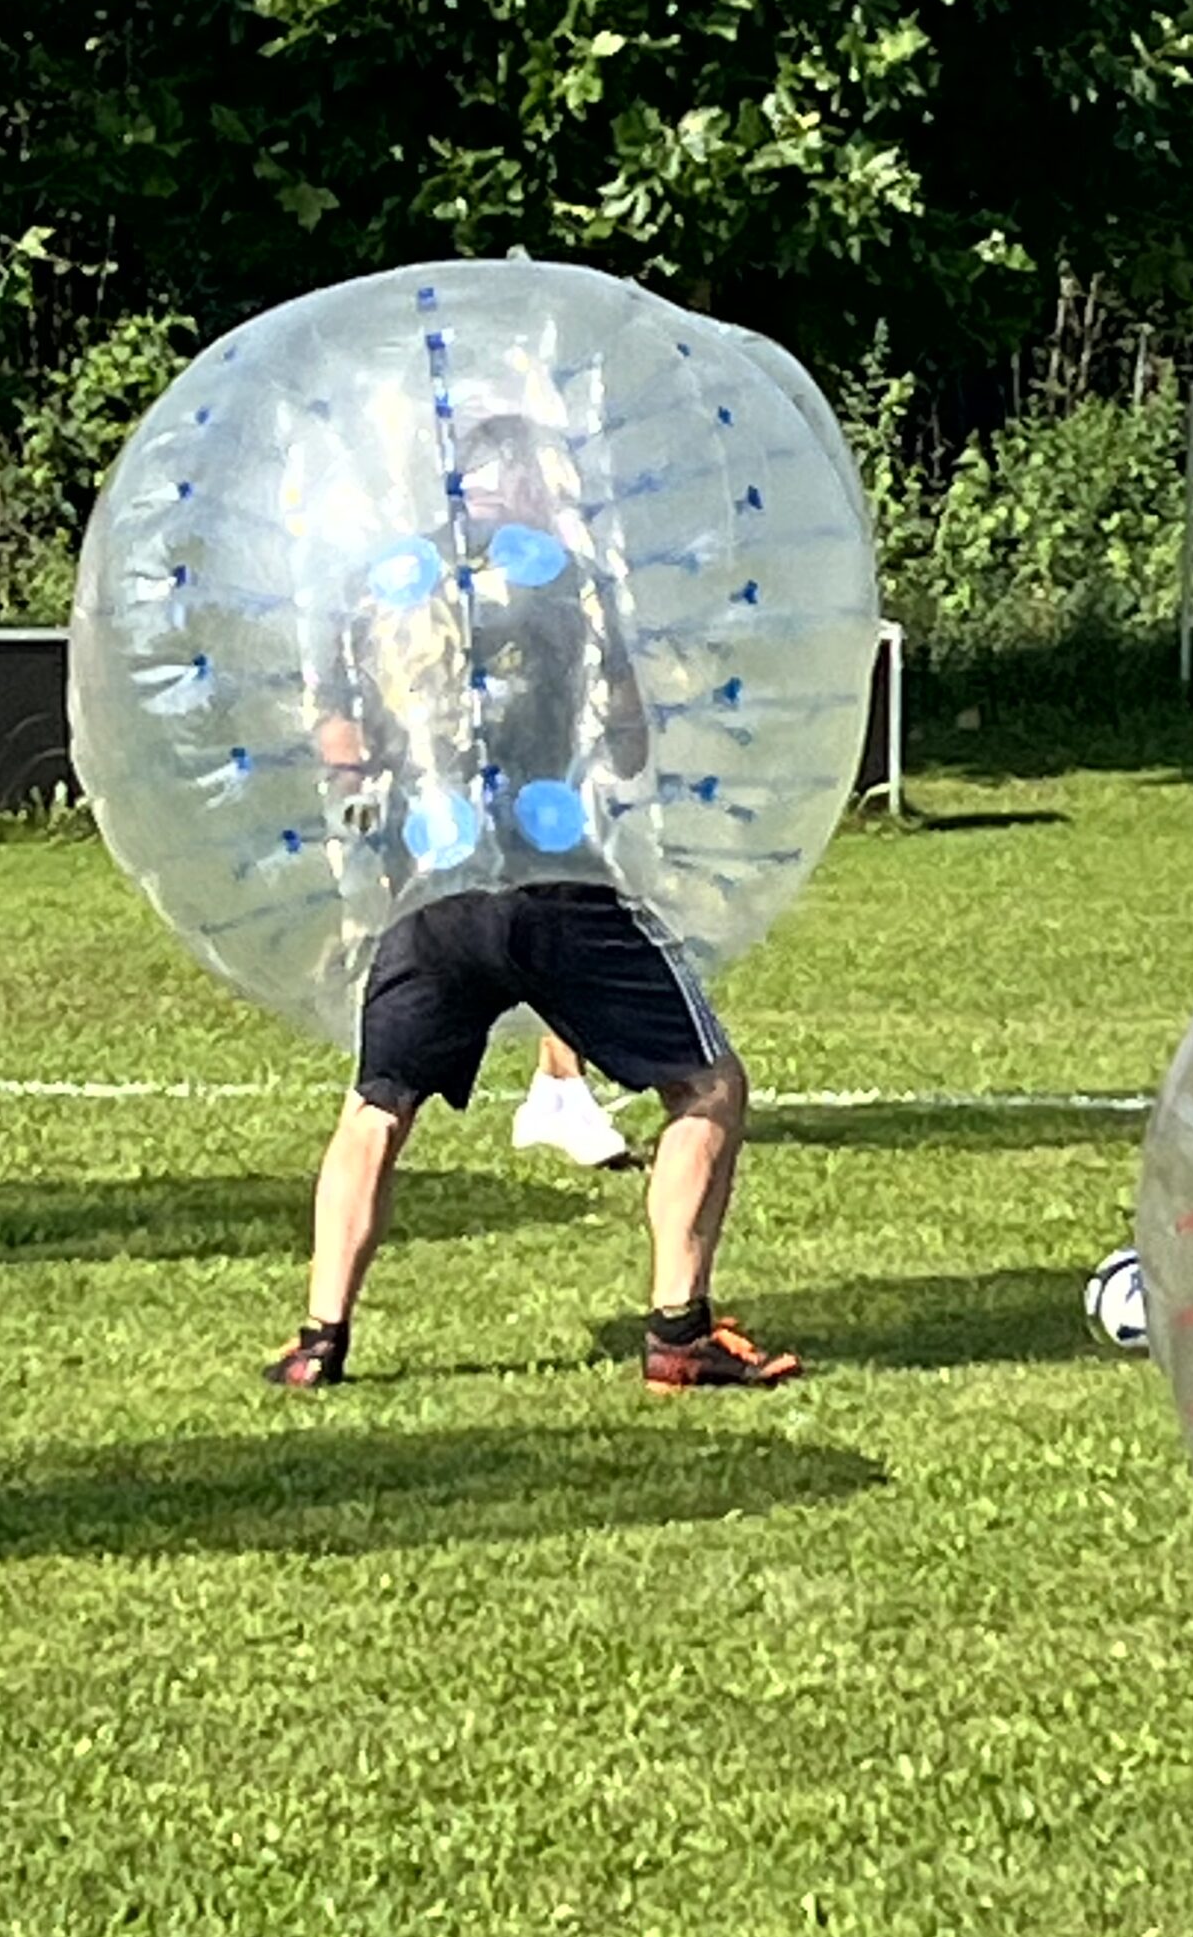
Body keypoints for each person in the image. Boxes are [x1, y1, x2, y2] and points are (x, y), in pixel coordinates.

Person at [264, 412, 799, 1392]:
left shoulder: (374, 588)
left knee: (376, 1108)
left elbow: (337, 744)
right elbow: (630, 738)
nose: (558, 496)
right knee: (709, 1086)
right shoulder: (568, 578)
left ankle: (318, 1338)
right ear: (510, 485)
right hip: (558, 884)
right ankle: (678, 1331)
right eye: (547, 480)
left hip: (428, 894)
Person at [511, 1031, 634, 1168]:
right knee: (556, 1048)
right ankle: (568, 1042)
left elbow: (553, 1050)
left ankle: (568, 1040)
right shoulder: (587, 1119)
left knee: (555, 1048)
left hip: (551, 1125)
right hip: (560, 1125)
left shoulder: (578, 1117)